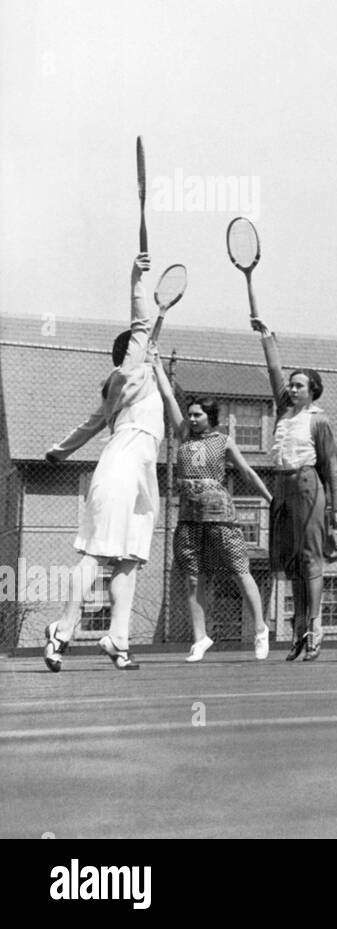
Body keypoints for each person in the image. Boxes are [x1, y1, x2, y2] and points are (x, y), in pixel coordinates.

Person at [43, 253, 161, 672]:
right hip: (121, 468)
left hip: (143, 476)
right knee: (95, 556)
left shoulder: (126, 389)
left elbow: (88, 427)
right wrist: (135, 278)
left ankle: (118, 637)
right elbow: (142, 323)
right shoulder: (132, 369)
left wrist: (58, 452)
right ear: (133, 353)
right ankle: (62, 631)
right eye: (142, 347)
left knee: (129, 560)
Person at [153, 374, 274, 663]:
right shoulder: (184, 435)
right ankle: (200, 638)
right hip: (188, 517)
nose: (193, 419)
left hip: (219, 515)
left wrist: (270, 498)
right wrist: (156, 363)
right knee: (193, 577)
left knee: (239, 569)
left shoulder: (223, 442)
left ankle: (260, 629)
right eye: (191, 415)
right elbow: (169, 397)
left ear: (210, 417)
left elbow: (247, 472)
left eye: (198, 415)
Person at [250, 316, 337, 662]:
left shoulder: (318, 419)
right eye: (291, 385)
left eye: (299, 385)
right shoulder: (284, 413)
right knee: (290, 563)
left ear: (313, 391)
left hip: (308, 486)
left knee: (310, 559)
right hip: (282, 487)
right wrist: (266, 338)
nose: (292, 389)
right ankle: (298, 626)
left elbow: (332, 466)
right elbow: (274, 372)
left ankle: (314, 628)